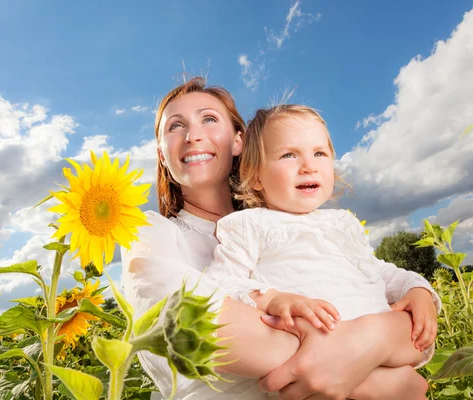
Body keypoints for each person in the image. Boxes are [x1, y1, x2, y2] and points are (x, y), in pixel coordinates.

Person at [121, 77, 433, 400]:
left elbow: (390, 298)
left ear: (239, 141)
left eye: (209, 119)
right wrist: (377, 376)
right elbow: (189, 327)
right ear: (161, 154)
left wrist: (385, 326)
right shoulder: (150, 232)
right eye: (175, 126)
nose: (193, 135)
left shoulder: (299, 224)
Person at [204, 105, 440, 373]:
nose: (309, 166)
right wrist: (273, 299)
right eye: (288, 155)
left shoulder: (342, 223)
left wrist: (416, 289)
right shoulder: (250, 224)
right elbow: (218, 283)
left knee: (414, 338)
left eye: (319, 153)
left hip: (380, 354)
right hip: (317, 359)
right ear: (255, 175)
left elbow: (376, 271)